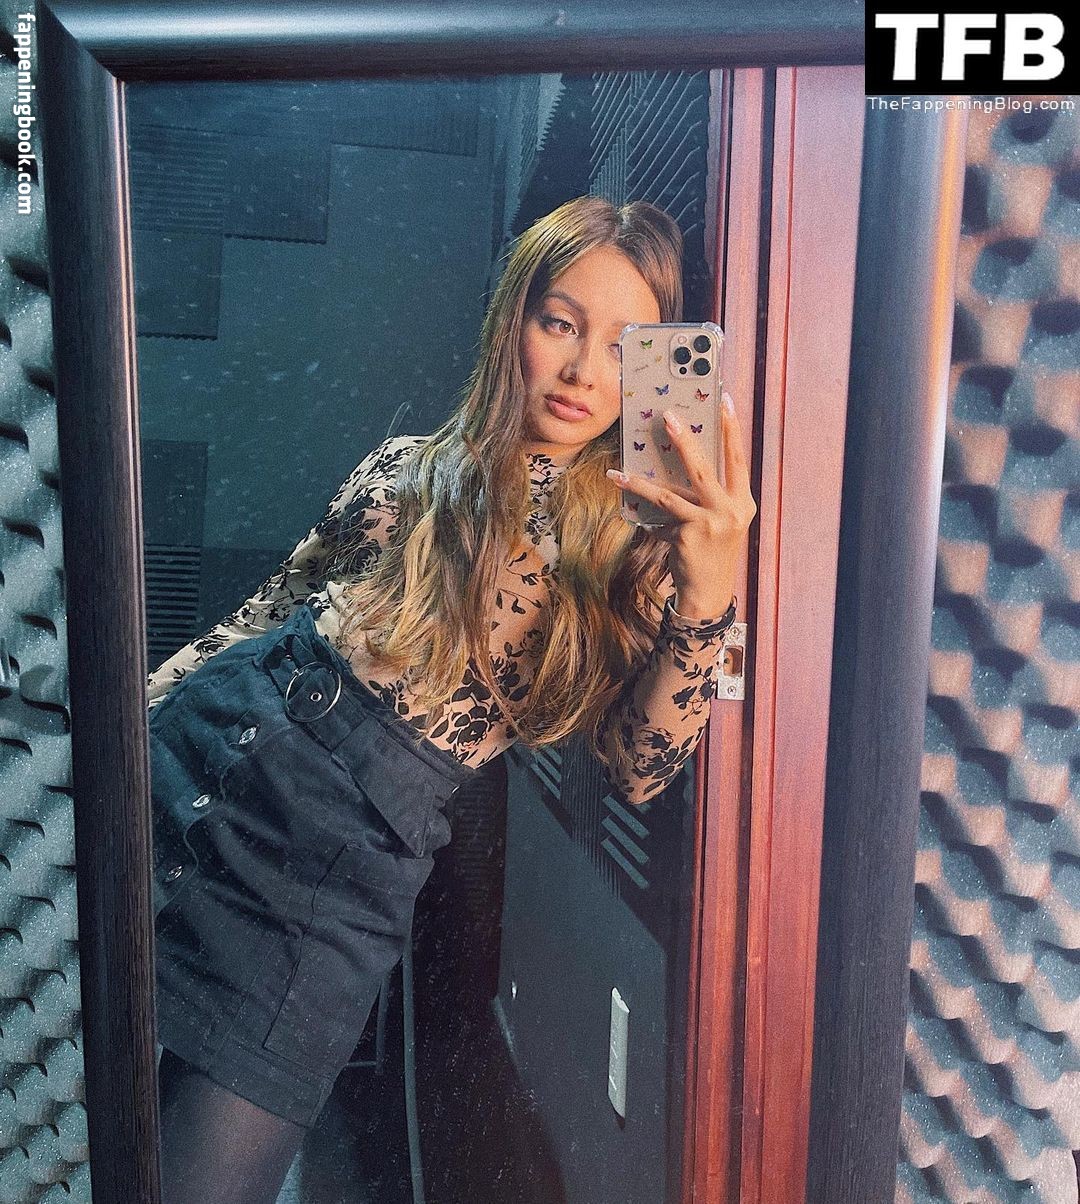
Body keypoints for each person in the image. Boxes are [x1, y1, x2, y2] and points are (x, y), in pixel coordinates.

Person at [145, 194, 756, 1204]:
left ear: (656, 369)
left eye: (622, 346)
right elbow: (264, 614)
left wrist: (710, 589)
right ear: (513, 319)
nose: (581, 370)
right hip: (205, 750)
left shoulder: (642, 554)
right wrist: (125, 723)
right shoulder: (409, 468)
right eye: (559, 322)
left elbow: (640, 769)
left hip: (334, 879)